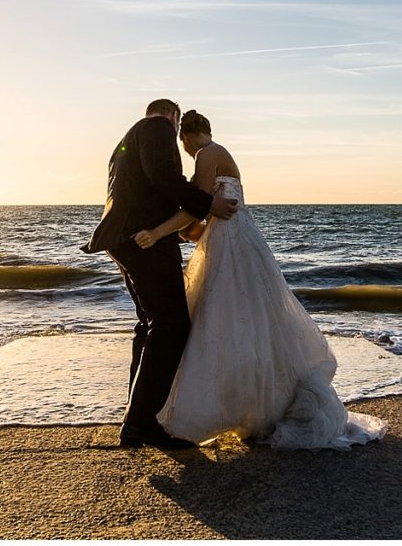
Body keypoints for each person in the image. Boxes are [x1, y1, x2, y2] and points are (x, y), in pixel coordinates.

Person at [133, 109, 388, 450]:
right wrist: (181, 232)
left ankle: (237, 408)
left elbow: (196, 206)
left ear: (187, 137)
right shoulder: (216, 154)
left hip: (230, 243)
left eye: (184, 144)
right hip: (225, 239)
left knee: (227, 320)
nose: (186, 151)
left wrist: (159, 231)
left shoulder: (209, 153)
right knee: (239, 322)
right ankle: (244, 407)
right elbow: (200, 219)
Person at [82, 99, 239, 450]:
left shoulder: (129, 139)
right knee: (172, 324)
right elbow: (164, 178)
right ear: (174, 115)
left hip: (125, 239)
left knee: (151, 324)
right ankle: (143, 422)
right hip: (142, 242)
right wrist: (206, 205)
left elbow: (154, 186)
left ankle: (136, 416)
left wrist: (182, 227)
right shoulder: (156, 128)